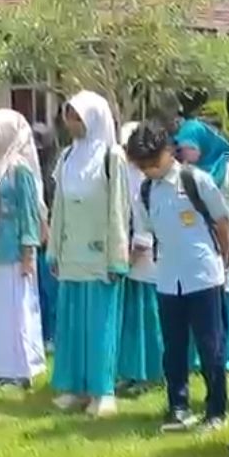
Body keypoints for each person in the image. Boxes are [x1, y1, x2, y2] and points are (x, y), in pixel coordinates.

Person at [126, 121, 229, 431]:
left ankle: (216, 410)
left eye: (153, 161)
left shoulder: (194, 180)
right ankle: (178, 406)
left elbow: (221, 220)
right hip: (167, 278)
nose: (150, 169)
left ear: (168, 150)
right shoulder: (146, 191)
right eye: (143, 166)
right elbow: (145, 229)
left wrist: (225, 256)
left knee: (211, 346)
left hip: (203, 275)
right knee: (173, 348)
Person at [47, 90, 131, 417]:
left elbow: (119, 209)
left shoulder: (113, 156)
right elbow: (59, 206)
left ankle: (102, 390)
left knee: (100, 325)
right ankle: (74, 387)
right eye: (68, 116)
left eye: (77, 116)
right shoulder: (68, 157)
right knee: (72, 325)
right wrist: (54, 251)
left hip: (99, 254)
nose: (71, 123)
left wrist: (117, 257)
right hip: (71, 253)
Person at [0, 109, 48, 389]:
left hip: (16, 251)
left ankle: (21, 372)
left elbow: (29, 213)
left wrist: (28, 252)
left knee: (17, 313)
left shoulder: (19, 169)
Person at [175, 118, 229, 372]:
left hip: (223, 239)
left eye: (191, 147)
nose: (186, 153)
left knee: (224, 299)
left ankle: (225, 353)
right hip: (196, 244)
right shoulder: (183, 171)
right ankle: (198, 356)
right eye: (182, 147)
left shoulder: (224, 167)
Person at [117, 122, 165, 396]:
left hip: (147, 258)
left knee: (149, 318)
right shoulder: (126, 172)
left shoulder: (149, 178)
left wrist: (139, 246)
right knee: (132, 319)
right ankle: (132, 372)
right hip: (129, 256)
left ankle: (152, 373)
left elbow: (147, 217)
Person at [32, 122, 59, 351]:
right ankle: (41, 333)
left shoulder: (56, 170)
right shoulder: (30, 169)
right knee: (37, 290)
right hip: (32, 238)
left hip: (51, 238)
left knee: (51, 290)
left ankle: (53, 335)